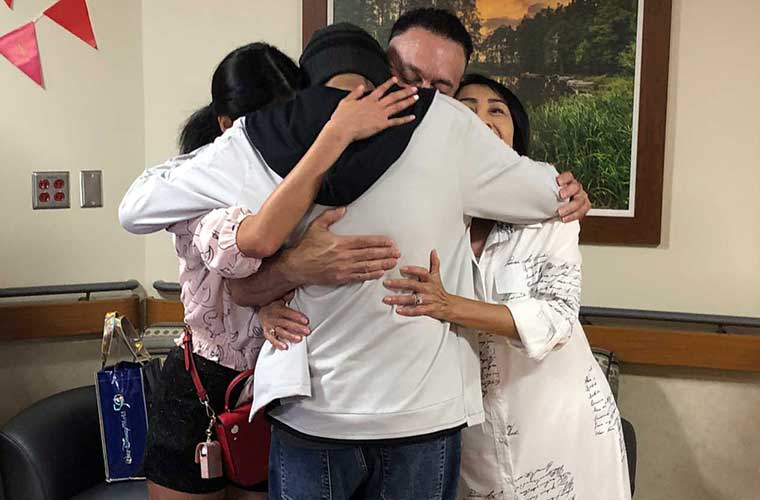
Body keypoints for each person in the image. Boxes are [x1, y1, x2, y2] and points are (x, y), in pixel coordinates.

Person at [125, 42, 418, 500]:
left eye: (293, 121)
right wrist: (333, 136)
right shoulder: (205, 182)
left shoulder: (324, 180)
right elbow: (247, 247)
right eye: (270, 125)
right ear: (230, 126)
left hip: (278, 388)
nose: (284, 139)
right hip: (202, 383)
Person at [381, 74, 632, 500]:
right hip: (470, 436)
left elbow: (556, 320)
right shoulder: (422, 217)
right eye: (465, 107)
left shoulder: (553, 211)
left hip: (560, 426)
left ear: (516, 136)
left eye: (497, 109)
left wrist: (449, 305)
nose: (481, 118)